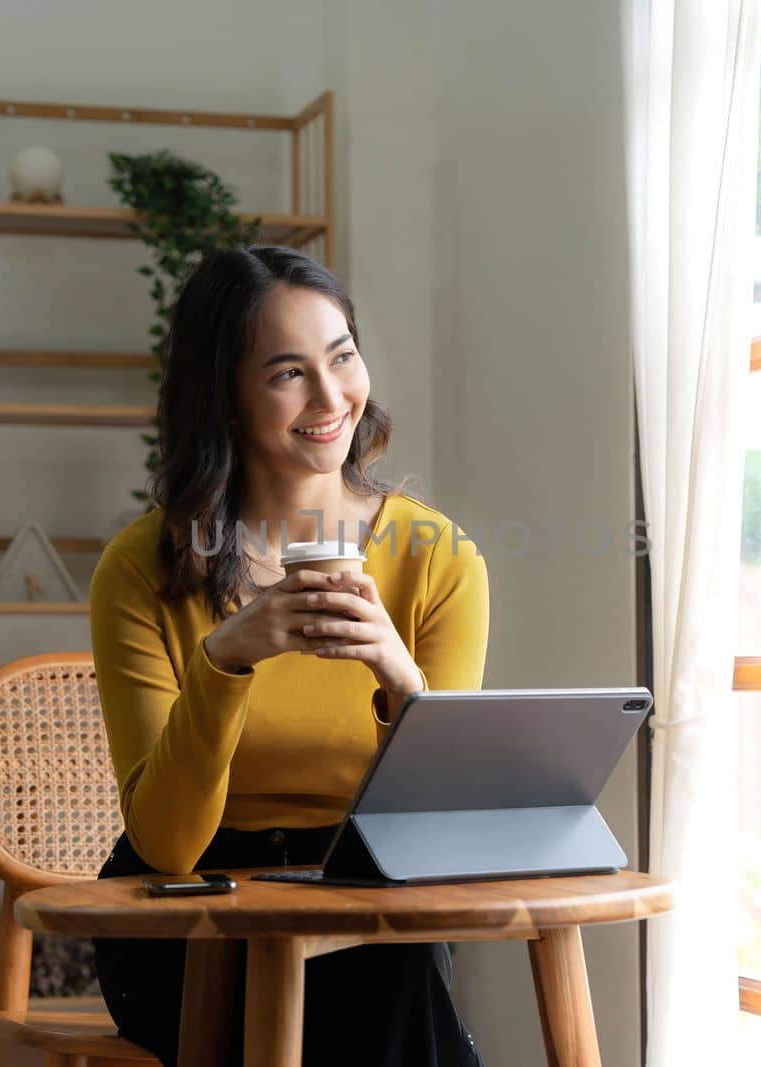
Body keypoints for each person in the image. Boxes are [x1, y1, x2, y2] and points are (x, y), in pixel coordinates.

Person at [89, 244, 490, 1066]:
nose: (330, 395)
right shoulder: (142, 569)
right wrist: (224, 664)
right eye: (286, 373)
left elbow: (448, 835)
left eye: (341, 357)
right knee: (385, 988)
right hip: (188, 912)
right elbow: (165, 843)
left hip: (366, 901)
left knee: (389, 963)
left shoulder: (437, 557)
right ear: (226, 398)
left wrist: (401, 683)